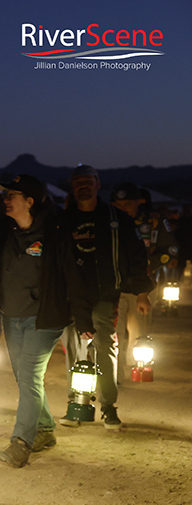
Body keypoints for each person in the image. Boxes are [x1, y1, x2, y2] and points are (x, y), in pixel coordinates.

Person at [0, 175, 92, 468]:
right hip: (11, 315)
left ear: (30, 201)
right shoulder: (2, 231)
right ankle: (45, 429)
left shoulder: (55, 232)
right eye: (5, 195)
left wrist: (83, 318)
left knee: (30, 376)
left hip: (43, 317)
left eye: (12, 195)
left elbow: (73, 275)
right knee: (23, 378)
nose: (6, 200)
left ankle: (21, 442)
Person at [58, 166, 152, 430]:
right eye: (77, 182)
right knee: (74, 351)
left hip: (105, 295)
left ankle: (109, 406)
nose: (83, 186)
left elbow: (136, 254)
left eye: (88, 181)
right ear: (72, 186)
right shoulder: (64, 220)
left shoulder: (117, 218)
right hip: (72, 297)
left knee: (105, 347)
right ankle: (76, 403)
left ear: (98, 184)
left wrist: (142, 291)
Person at [112, 184, 179, 382]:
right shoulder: (110, 221)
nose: (123, 208)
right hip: (116, 286)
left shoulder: (154, 222)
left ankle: (138, 369)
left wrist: (146, 263)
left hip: (145, 286)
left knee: (139, 330)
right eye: (119, 204)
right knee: (114, 332)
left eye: (128, 203)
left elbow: (172, 249)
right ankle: (114, 373)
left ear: (138, 202)